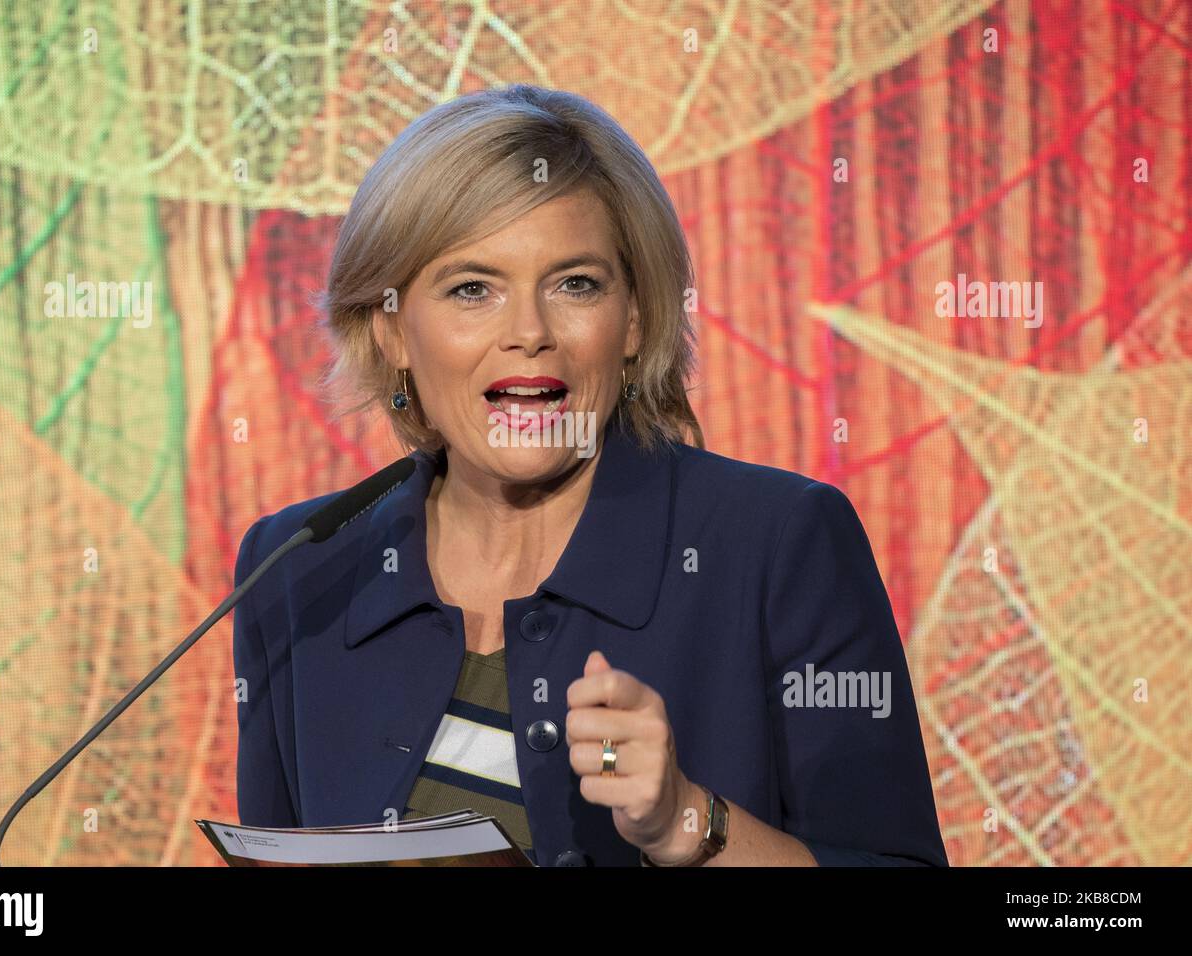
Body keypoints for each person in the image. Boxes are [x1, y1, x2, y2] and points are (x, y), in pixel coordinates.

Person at [232, 84, 947, 867]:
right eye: (474, 289)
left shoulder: (780, 545)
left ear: (635, 321)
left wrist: (684, 819)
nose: (530, 333)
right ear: (393, 330)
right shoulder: (300, 570)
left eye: (576, 284)